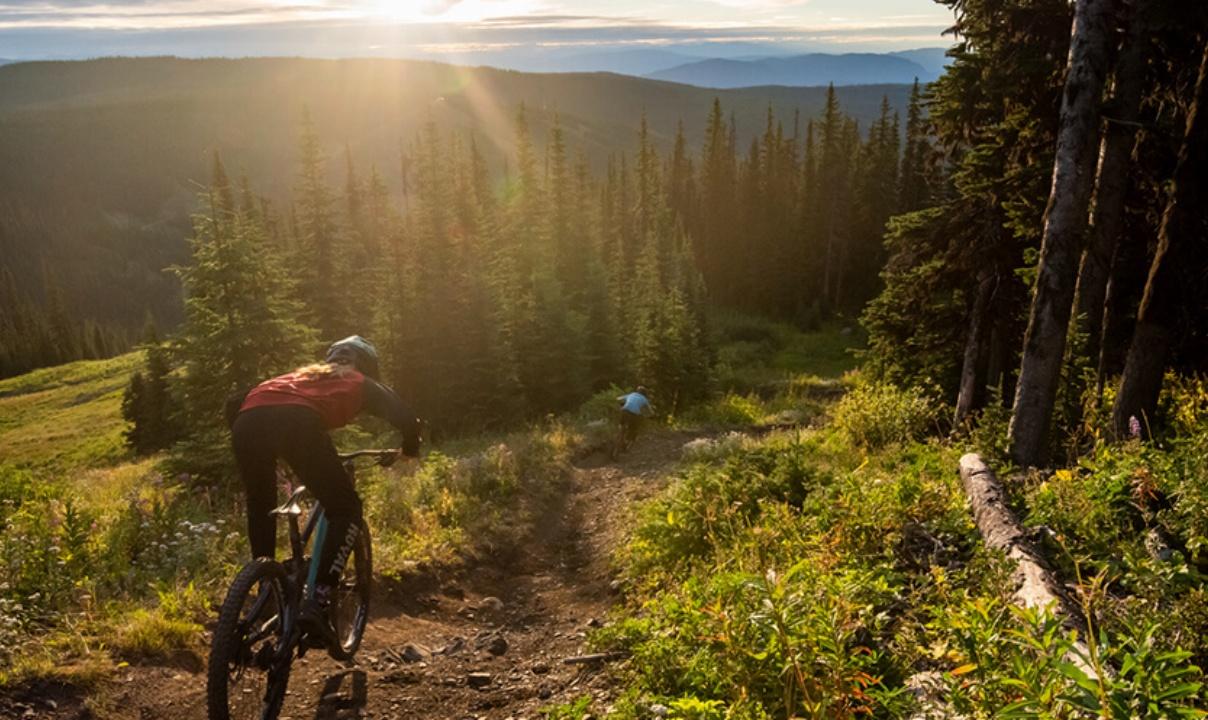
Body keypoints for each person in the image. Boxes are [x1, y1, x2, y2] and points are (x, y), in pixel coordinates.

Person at [229, 335, 421, 637]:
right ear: (367, 365)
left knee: (260, 503)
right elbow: (405, 415)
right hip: (297, 422)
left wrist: (262, 449)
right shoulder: (360, 380)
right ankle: (317, 602)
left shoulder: (301, 375)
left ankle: (264, 583)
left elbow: (235, 401)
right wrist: (410, 448)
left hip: (247, 418)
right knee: (346, 508)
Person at [615, 385, 653, 452]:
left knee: (621, 425)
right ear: (644, 393)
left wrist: (620, 403)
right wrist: (651, 415)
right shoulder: (644, 399)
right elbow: (650, 410)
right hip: (634, 415)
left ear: (637, 391)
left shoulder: (632, 394)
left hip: (625, 411)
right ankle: (627, 443)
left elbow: (618, 398)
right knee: (633, 430)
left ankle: (619, 436)